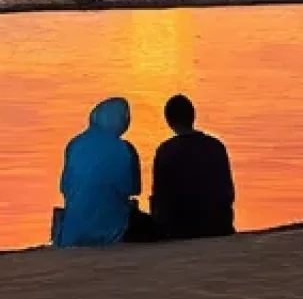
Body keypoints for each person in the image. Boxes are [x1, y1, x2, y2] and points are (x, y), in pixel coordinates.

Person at [55, 97, 157, 247]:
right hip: (112, 231)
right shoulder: (124, 149)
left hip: (71, 234)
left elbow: (64, 187)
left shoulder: (74, 144)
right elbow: (134, 189)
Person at [150, 94, 235, 240]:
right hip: (217, 226)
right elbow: (228, 193)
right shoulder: (216, 146)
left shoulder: (165, 151)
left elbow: (159, 197)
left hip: (177, 229)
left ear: (169, 121)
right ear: (193, 116)